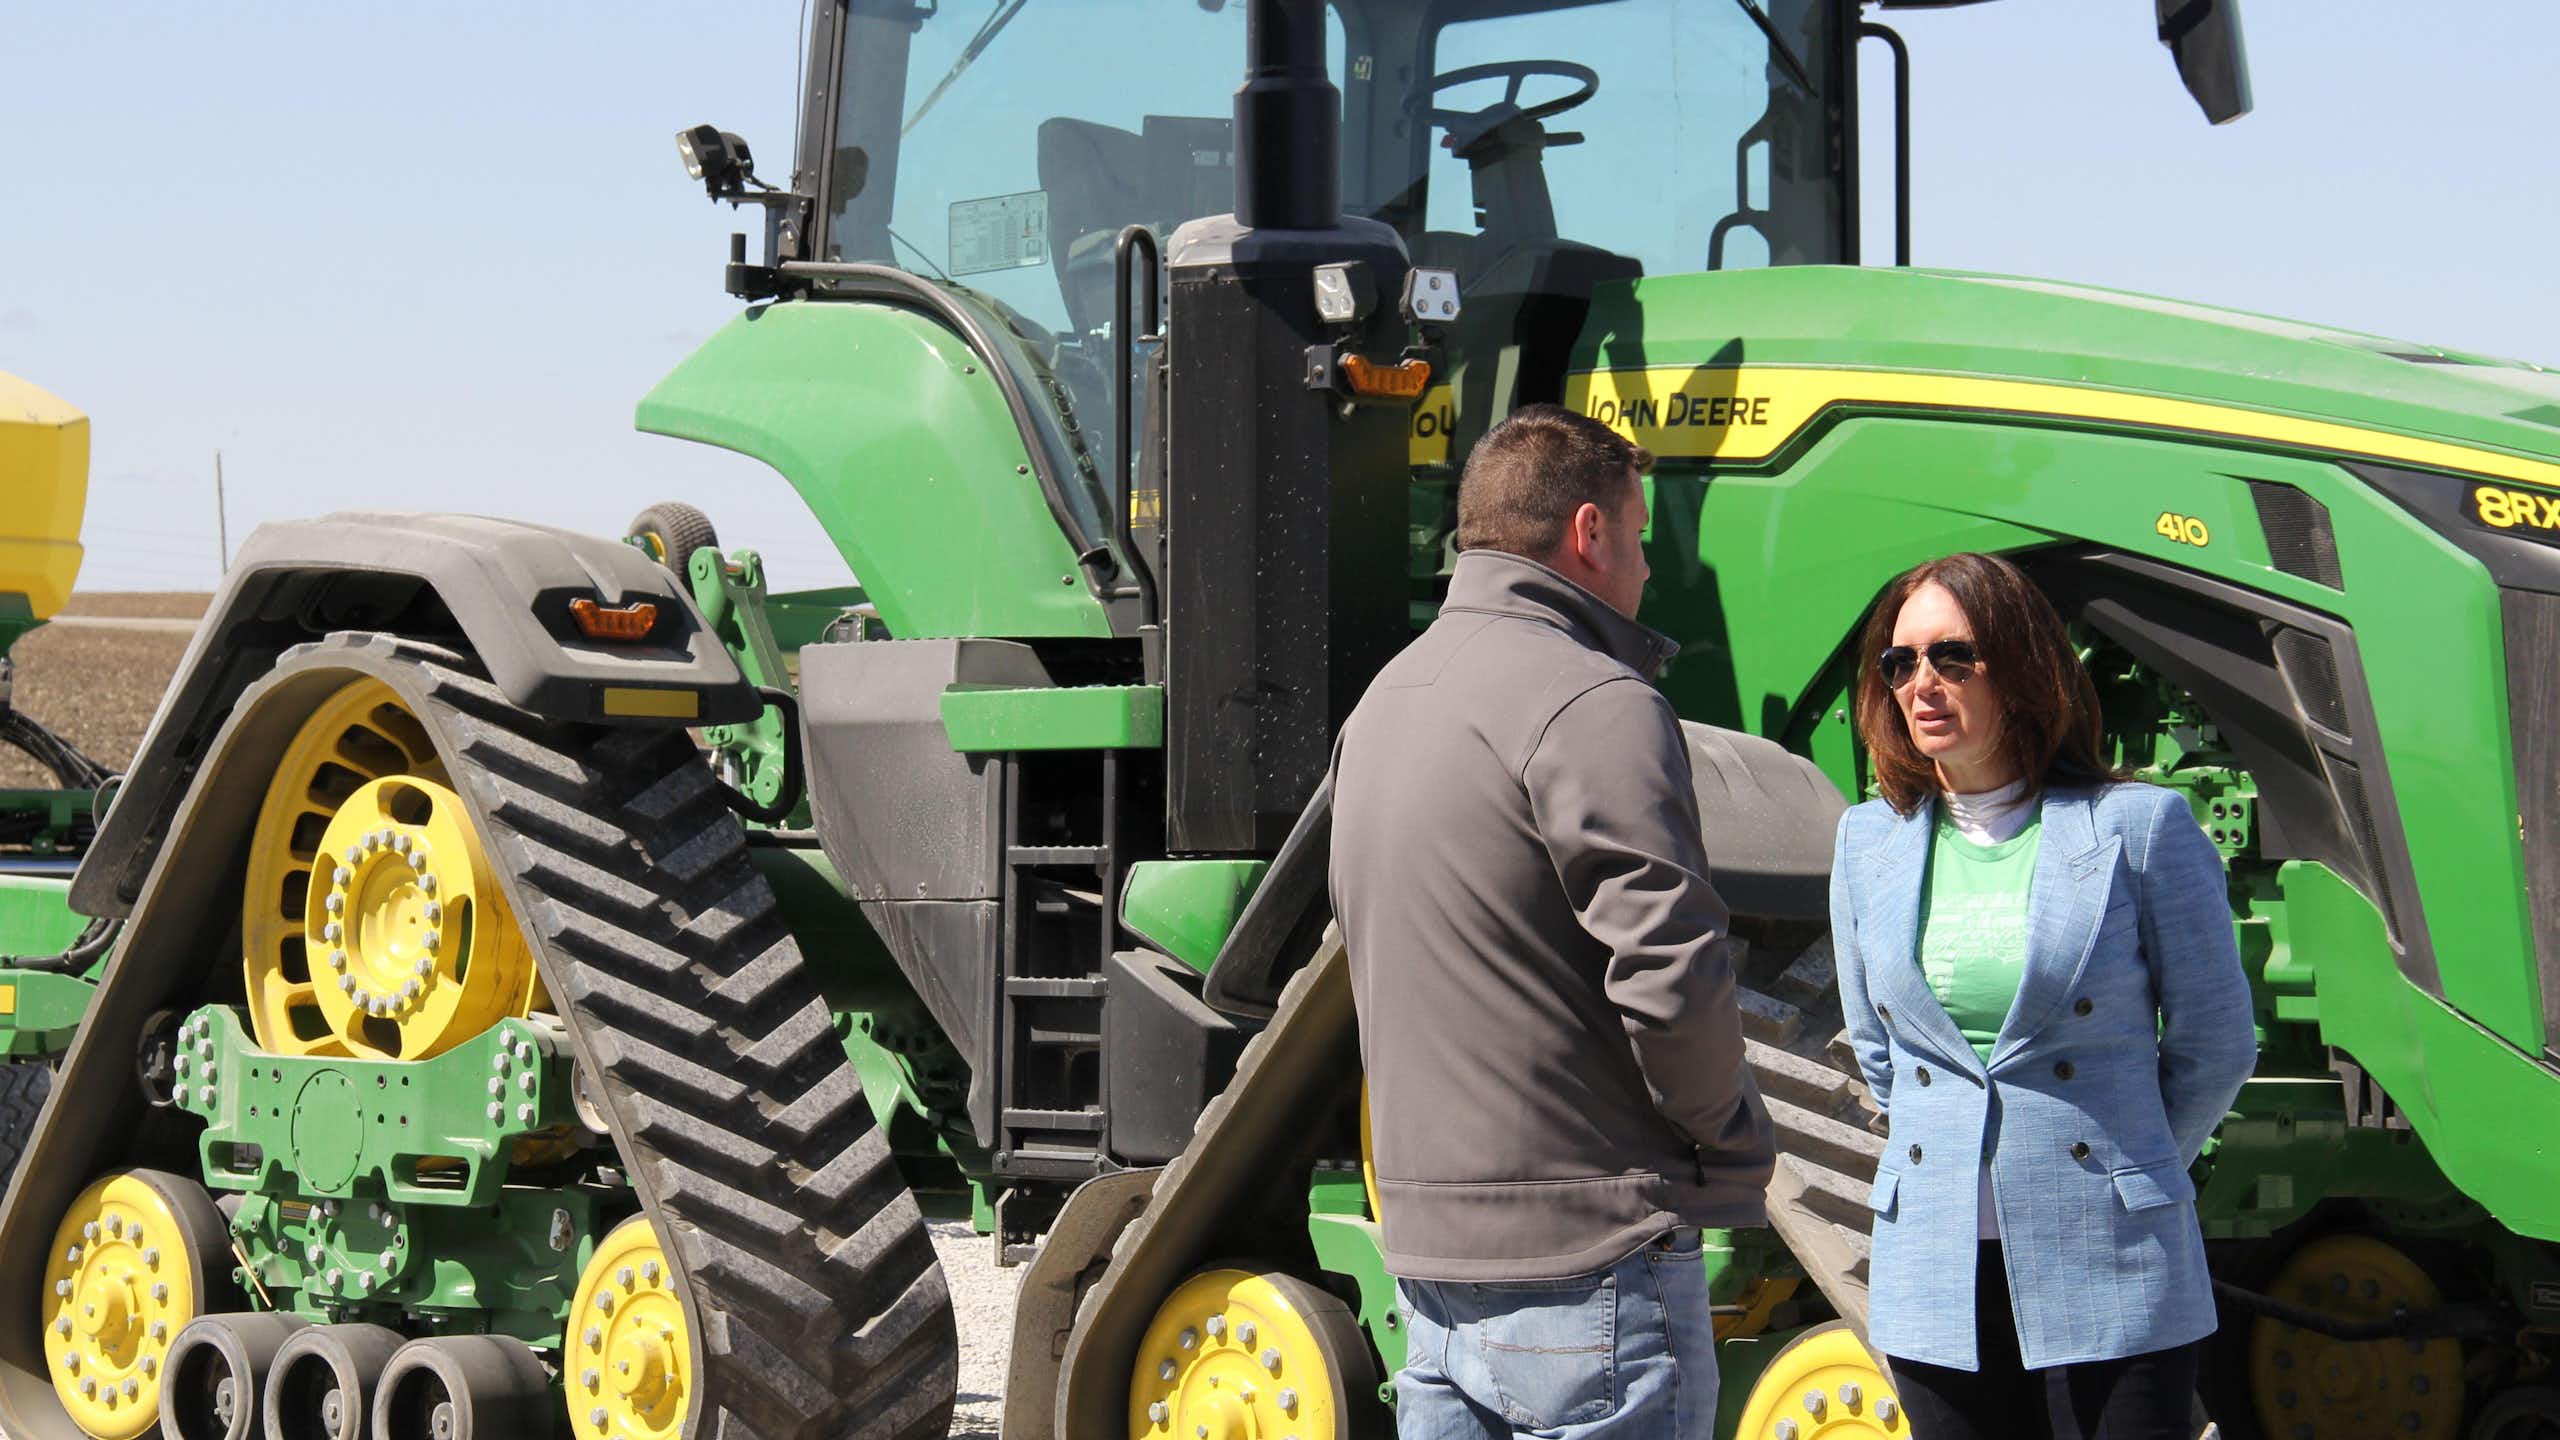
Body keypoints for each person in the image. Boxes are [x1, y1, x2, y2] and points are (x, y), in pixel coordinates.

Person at [1330, 403, 1774, 1439]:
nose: (1647, 572)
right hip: (1591, 1257)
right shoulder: (1592, 701)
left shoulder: (1384, 703)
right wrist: (1730, 1141)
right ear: (1587, 534)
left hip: (1433, 1267)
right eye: (1639, 539)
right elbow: (1669, 969)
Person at [1831, 552, 2258, 1440]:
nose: (1922, 682)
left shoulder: (2138, 828)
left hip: (2112, 1257)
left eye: (1953, 657)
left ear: (2024, 669)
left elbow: (2216, 1040)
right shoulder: (1867, 841)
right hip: (1935, 1272)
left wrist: (2121, 1165)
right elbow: (1882, 1052)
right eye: (1900, 662)